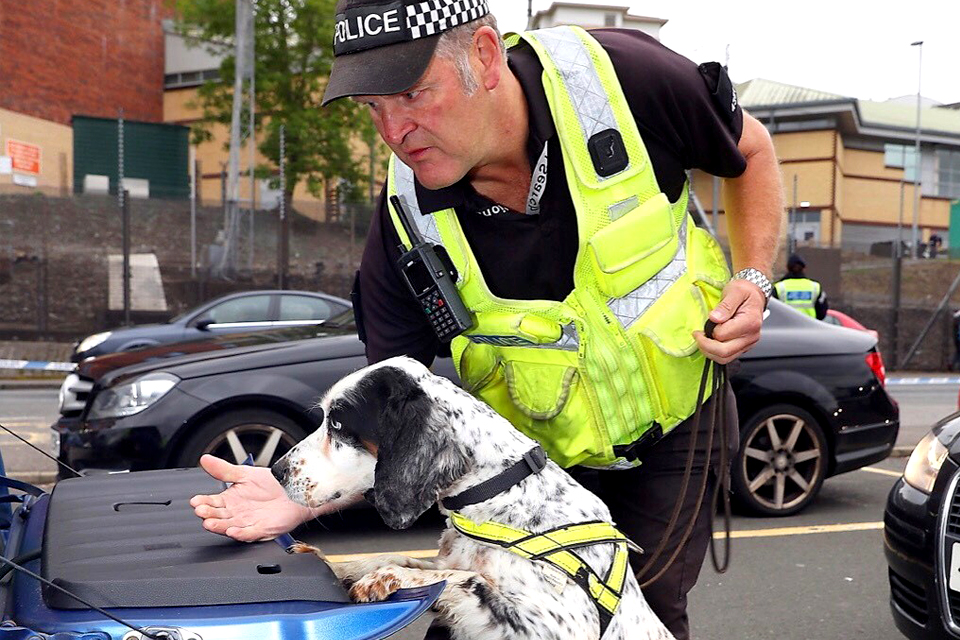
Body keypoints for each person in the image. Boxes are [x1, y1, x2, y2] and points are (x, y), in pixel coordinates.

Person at [191, 2, 783, 638]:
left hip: (675, 431)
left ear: (484, 54)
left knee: (636, 612)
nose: (394, 129)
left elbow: (751, 150)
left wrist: (751, 278)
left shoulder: (625, 80)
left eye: (413, 92)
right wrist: (300, 493)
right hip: (532, 461)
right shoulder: (405, 223)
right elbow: (394, 416)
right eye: (372, 107)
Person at [772, 253, 828, 320]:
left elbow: (772, 310)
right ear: (804, 268)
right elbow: (822, 312)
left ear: (787, 268)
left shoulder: (779, 287)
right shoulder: (815, 287)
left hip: (786, 327)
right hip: (810, 327)